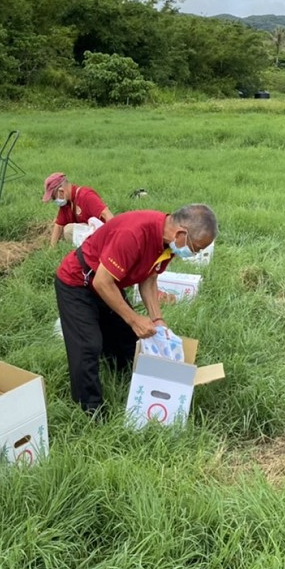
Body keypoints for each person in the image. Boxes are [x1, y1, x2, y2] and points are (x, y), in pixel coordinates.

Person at [55, 203, 218, 415]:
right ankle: (90, 410)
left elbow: (149, 278)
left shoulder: (167, 244)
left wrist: (157, 319)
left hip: (110, 284)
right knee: (88, 346)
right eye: (196, 248)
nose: (194, 253)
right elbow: (102, 283)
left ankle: (129, 384)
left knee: (128, 341)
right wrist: (134, 319)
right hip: (79, 282)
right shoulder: (133, 234)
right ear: (181, 233)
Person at [43, 172, 114, 245]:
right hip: (91, 234)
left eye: (54, 197)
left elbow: (106, 214)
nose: (55, 200)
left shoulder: (86, 196)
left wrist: (114, 237)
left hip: (103, 234)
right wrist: (52, 249)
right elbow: (58, 225)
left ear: (61, 191)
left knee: (68, 230)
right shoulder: (66, 204)